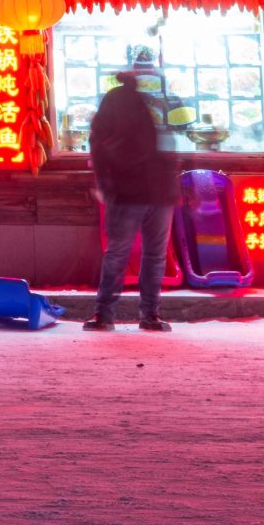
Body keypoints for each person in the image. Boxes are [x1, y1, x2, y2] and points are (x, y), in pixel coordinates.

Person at [87, 52, 180, 333]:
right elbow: (174, 140)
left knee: (118, 253)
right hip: (159, 191)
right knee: (154, 255)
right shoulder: (156, 100)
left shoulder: (114, 100)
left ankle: (105, 315)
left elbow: (97, 142)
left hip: (129, 190)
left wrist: (103, 183)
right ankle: (150, 315)